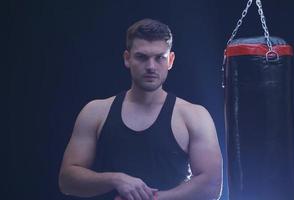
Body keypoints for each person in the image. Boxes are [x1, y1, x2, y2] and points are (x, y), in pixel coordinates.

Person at [58, 18, 222, 200]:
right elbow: (67, 180)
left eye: (160, 57)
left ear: (171, 60)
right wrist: (115, 179)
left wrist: (154, 199)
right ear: (127, 59)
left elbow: (211, 186)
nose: (151, 66)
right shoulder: (96, 112)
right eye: (142, 57)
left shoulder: (194, 116)